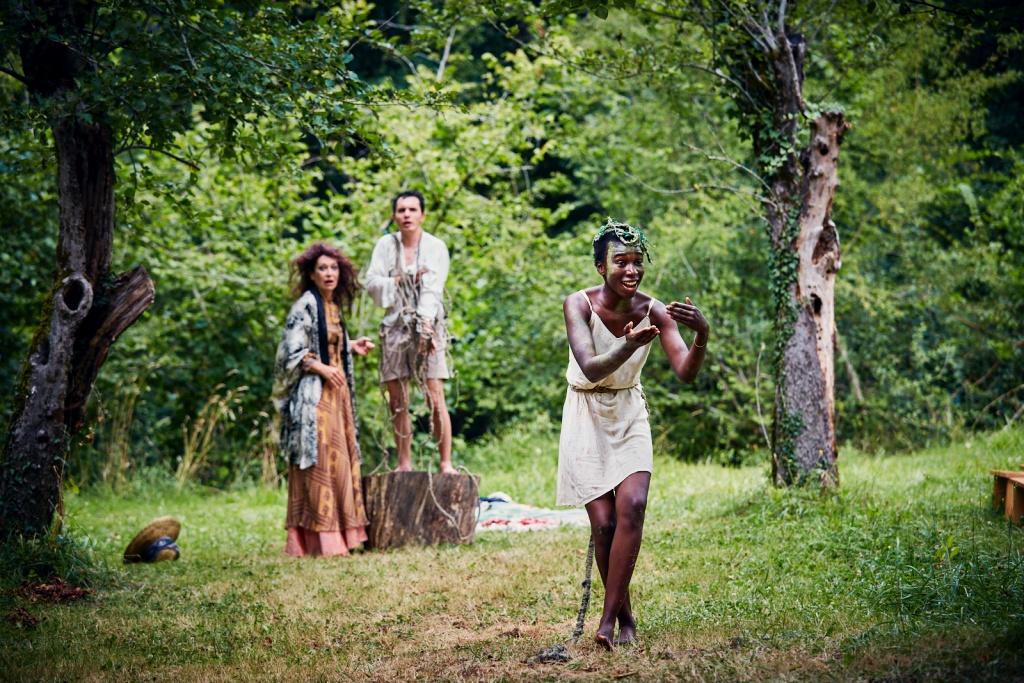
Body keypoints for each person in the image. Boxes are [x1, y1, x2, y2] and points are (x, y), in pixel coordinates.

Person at [557, 218, 709, 649]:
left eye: (637, 262)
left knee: (634, 505)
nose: (630, 270)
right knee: (603, 526)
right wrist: (628, 344)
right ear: (600, 267)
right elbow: (590, 365)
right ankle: (626, 616)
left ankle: (608, 623)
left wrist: (703, 335)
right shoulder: (578, 304)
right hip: (586, 411)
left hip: (628, 411)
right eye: (620, 261)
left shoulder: (654, 309)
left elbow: (685, 372)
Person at [272, 242, 376, 557]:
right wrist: (323, 368)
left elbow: (329, 340)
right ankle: (317, 541)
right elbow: (293, 351)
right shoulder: (305, 305)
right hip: (315, 397)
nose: (329, 274)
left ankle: (345, 536)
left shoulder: (331, 306)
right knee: (317, 462)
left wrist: (351, 345)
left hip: (338, 396)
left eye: (333, 268)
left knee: (340, 463)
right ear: (312, 275)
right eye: (322, 269)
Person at [365, 190, 456, 474]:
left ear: (422, 215)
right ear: (394, 216)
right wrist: (401, 279)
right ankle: (404, 463)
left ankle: (446, 462)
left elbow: (433, 287)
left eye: (412, 210)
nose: (407, 215)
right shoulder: (385, 245)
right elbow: (372, 283)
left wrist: (425, 327)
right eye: (401, 210)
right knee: (397, 399)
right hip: (394, 326)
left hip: (428, 325)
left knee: (434, 394)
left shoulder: (435, 246)